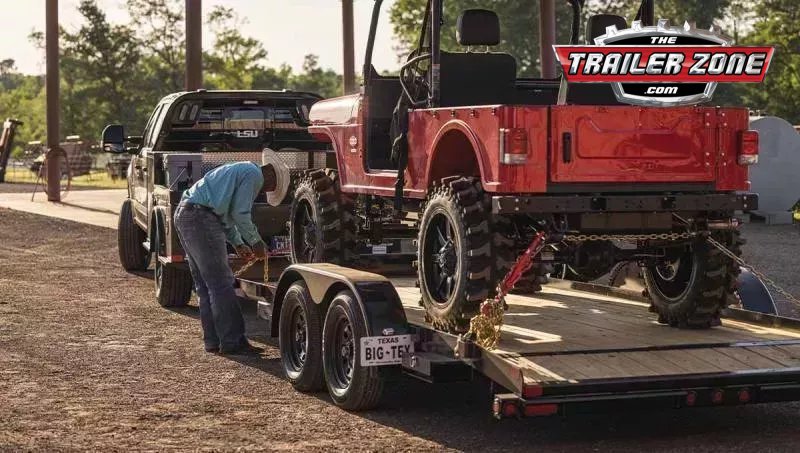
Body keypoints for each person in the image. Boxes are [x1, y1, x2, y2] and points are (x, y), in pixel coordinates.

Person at [174, 161, 276, 355]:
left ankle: (213, 341)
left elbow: (227, 215)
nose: (267, 191)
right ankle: (233, 341)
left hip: (186, 213)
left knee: (206, 285)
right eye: (273, 187)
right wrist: (256, 242)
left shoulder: (238, 171)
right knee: (222, 284)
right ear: (270, 176)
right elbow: (240, 213)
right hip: (201, 218)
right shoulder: (254, 175)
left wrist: (238, 243)